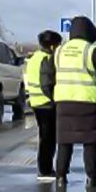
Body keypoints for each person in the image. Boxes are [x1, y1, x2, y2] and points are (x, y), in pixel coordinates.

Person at [40, 15, 96, 190]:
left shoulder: (58, 52)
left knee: (64, 141)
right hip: (90, 103)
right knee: (91, 141)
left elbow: (47, 78)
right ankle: (92, 177)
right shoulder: (92, 51)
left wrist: (55, 96)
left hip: (64, 103)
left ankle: (61, 177)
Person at [23, 30, 62, 181]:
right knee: (48, 138)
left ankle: (44, 168)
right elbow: (47, 83)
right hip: (46, 103)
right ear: (52, 45)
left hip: (36, 101)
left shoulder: (34, 57)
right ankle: (45, 170)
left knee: (45, 137)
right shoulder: (47, 59)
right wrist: (54, 99)